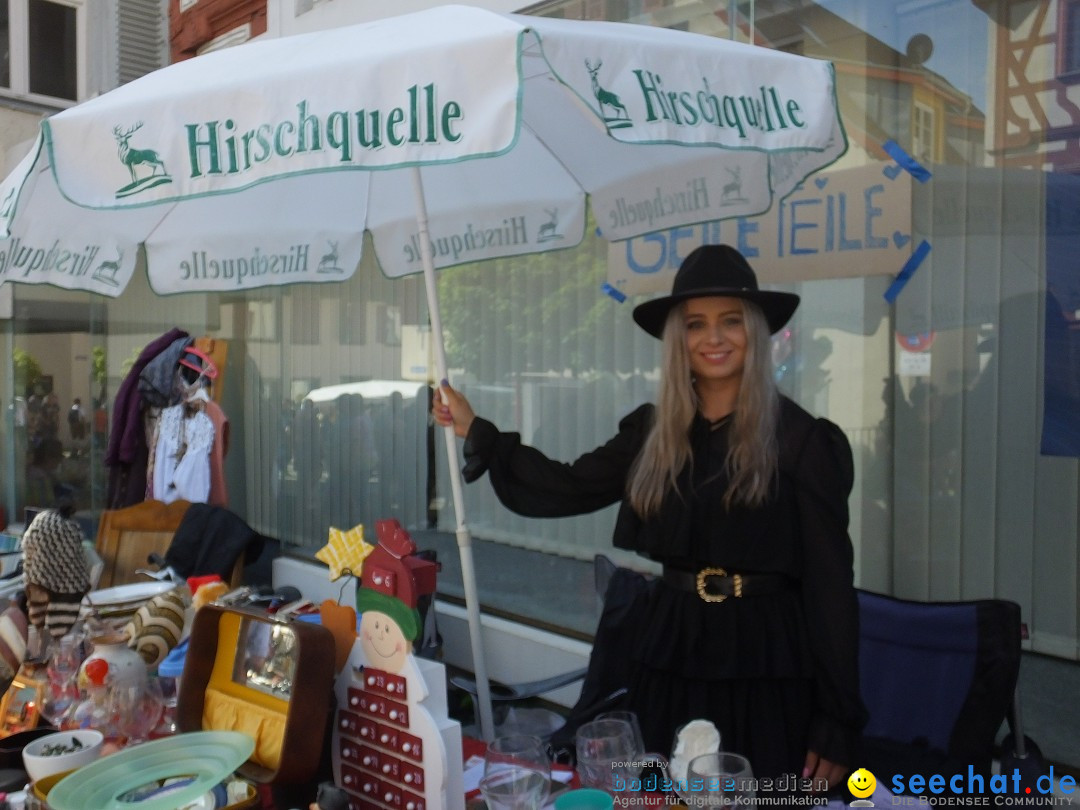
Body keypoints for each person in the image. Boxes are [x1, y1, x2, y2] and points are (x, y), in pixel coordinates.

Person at [433, 245, 866, 791]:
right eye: (696, 324)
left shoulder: (803, 442)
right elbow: (564, 487)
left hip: (766, 661)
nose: (714, 338)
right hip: (671, 650)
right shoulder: (652, 434)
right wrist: (477, 431)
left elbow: (831, 589)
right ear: (677, 340)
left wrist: (836, 718)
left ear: (755, 332)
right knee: (661, 795)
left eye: (730, 321)